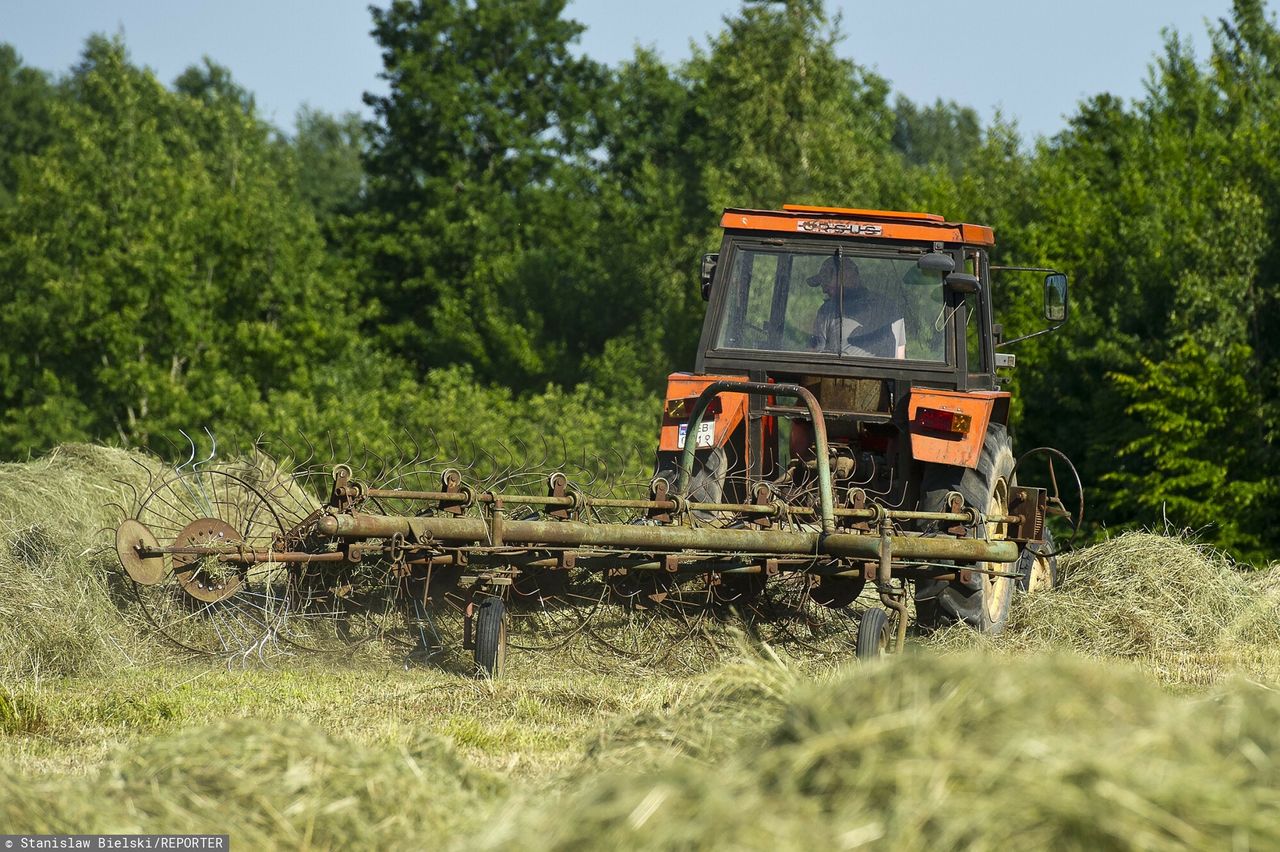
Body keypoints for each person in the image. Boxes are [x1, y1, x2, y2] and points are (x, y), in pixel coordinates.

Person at [806, 256, 906, 359]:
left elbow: (815, 357)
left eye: (827, 282)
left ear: (847, 277)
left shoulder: (827, 311)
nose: (824, 290)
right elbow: (900, 356)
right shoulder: (890, 306)